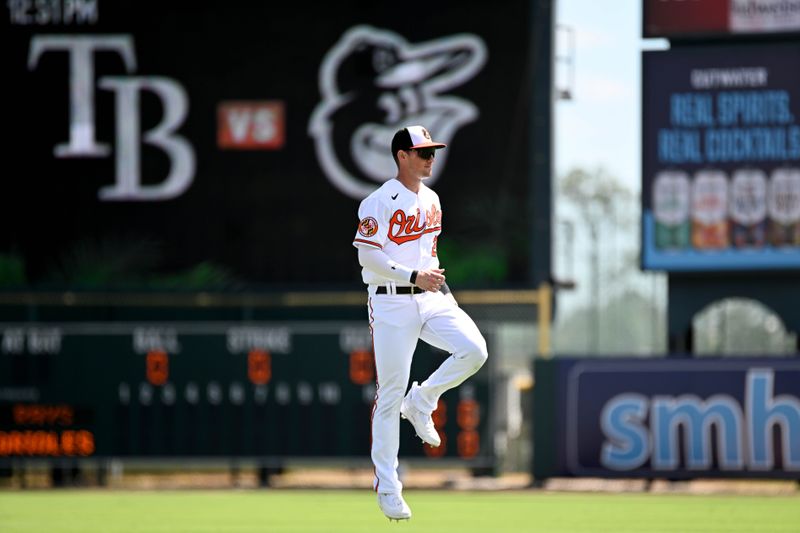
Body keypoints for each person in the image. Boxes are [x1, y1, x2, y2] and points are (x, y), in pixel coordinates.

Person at [352, 125, 488, 521]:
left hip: (431, 296)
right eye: (422, 152)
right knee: (389, 392)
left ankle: (424, 399)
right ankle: (389, 487)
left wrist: (437, 290)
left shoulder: (432, 198)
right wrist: (413, 277)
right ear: (402, 156)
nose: (430, 158)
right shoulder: (377, 201)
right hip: (391, 302)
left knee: (474, 350)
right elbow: (368, 258)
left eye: (433, 151)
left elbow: (428, 256)